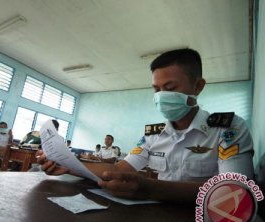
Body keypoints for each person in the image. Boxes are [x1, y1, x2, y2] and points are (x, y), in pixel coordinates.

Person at [37, 48, 254, 203]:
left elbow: (234, 190)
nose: (161, 96)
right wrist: (70, 166)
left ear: (198, 86)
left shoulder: (228, 129)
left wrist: (152, 189)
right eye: (156, 89)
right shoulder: (154, 135)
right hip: (158, 217)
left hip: (205, 220)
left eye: (170, 87)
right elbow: (117, 169)